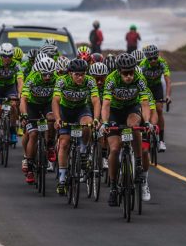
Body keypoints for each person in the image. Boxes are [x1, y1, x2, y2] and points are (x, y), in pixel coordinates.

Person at [100, 53, 152, 206]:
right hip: (115, 112)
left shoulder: (140, 79)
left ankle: (137, 163)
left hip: (131, 108)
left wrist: (147, 122)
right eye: (125, 73)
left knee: (134, 125)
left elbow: (144, 103)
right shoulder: (111, 79)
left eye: (131, 72)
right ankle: (114, 187)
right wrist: (104, 122)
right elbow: (106, 104)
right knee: (115, 149)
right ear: (119, 71)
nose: (129, 76)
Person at [52, 58, 101, 195]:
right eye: (77, 75)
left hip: (81, 109)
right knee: (64, 143)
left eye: (82, 74)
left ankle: (84, 151)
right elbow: (55, 101)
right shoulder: (62, 81)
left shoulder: (90, 81)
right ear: (70, 74)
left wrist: (96, 119)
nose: (80, 77)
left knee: (87, 124)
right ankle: (62, 179)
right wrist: (57, 119)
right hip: (65, 111)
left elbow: (96, 101)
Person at [19, 56, 57, 184]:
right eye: (45, 74)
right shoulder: (32, 78)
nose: (47, 77)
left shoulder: (56, 79)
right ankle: (29, 168)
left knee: (51, 119)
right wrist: (24, 114)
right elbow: (23, 99)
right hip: (32, 106)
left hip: (47, 105)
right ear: (40, 71)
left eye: (50, 74)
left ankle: (50, 145)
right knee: (33, 134)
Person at [0, 43, 24, 150]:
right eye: (4, 56)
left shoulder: (16, 64)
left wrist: (20, 94)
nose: (7, 59)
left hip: (9, 88)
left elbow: (20, 81)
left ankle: (13, 131)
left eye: (10, 56)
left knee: (13, 105)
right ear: (1, 55)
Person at [140, 44, 172, 152]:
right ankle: (145, 135)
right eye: (150, 58)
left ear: (157, 56)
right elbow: (139, 81)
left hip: (157, 87)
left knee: (159, 109)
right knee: (146, 110)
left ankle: (161, 140)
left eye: (155, 57)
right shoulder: (143, 65)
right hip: (146, 87)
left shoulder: (162, 63)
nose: (153, 60)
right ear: (146, 58)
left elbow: (167, 80)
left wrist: (167, 96)